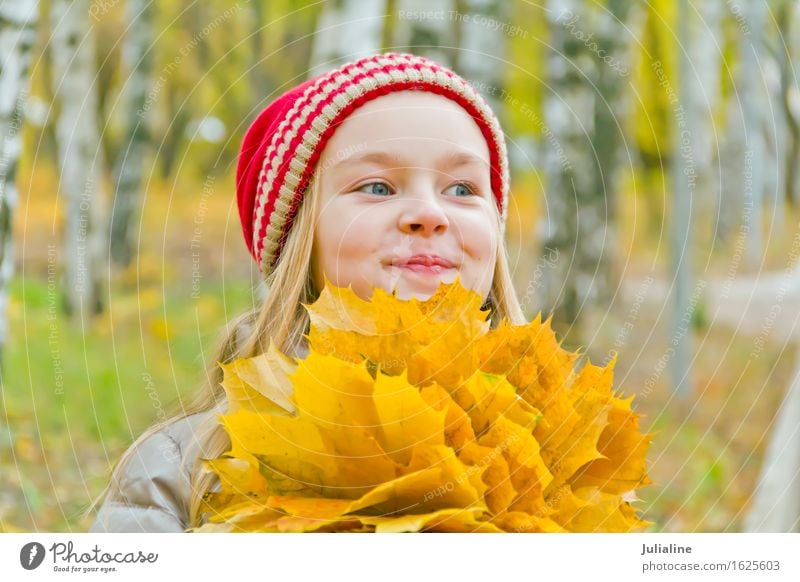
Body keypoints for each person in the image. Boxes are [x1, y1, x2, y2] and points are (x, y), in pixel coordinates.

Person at [88, 52, 526, 532]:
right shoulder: (180, 473)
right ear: (300, 239)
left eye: (462, 189)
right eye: (378, 187)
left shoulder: (558, 444)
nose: (429, 212)